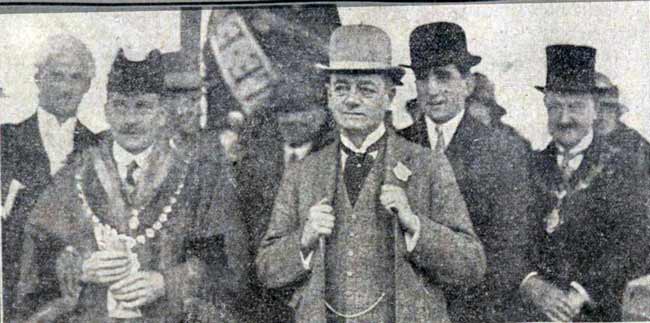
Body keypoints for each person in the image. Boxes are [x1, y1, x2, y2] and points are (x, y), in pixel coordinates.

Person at [256, 25, 486, 323]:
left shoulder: (428, 165)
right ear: (328, 95)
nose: (352, 100)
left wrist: (415, 225)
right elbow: (266, 269)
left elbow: (472, 264)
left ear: (389, 96)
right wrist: (304, 238)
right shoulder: (303, 173)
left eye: (365, 89)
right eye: (341, 88)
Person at [15, 49, 250, 323]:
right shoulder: (74, 175)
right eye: (120, 106)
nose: (130, 120)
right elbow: (35, 255)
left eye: (142, 107)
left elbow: (230, 263)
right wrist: (78, 268)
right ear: (106, 112)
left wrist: (167, 282)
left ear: (161, 114)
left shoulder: (200, 178)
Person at [396, 22, 534, 323]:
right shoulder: (397, 144)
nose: (432, 89)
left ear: (468, 84)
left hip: (473, 311)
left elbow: (507, 249)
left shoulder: (504, 150)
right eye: (422, 77)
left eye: (443, 76)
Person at [520, 44, 650, 322]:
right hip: (531, 314)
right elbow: (509, 237)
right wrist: (531, 283)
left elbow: (634, 243)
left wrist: (580, 293)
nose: (564, 118)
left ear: (594, 109)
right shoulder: (528, 166)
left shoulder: (626, 166)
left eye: (575, 107)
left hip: (595, 312)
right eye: (555, 107)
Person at [1, 33, 103, 319]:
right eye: (57, 76)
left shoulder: (100, 148)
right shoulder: (6, 141)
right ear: (39, 78)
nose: (66, 88)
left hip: (82, 300)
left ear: (87, 85)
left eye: (76, 78)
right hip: (17, 295)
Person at [593, 71, 650, 175]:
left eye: (609, 108)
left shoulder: (635, 143)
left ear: (617, 112)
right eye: (595, 109)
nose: (601, 115)